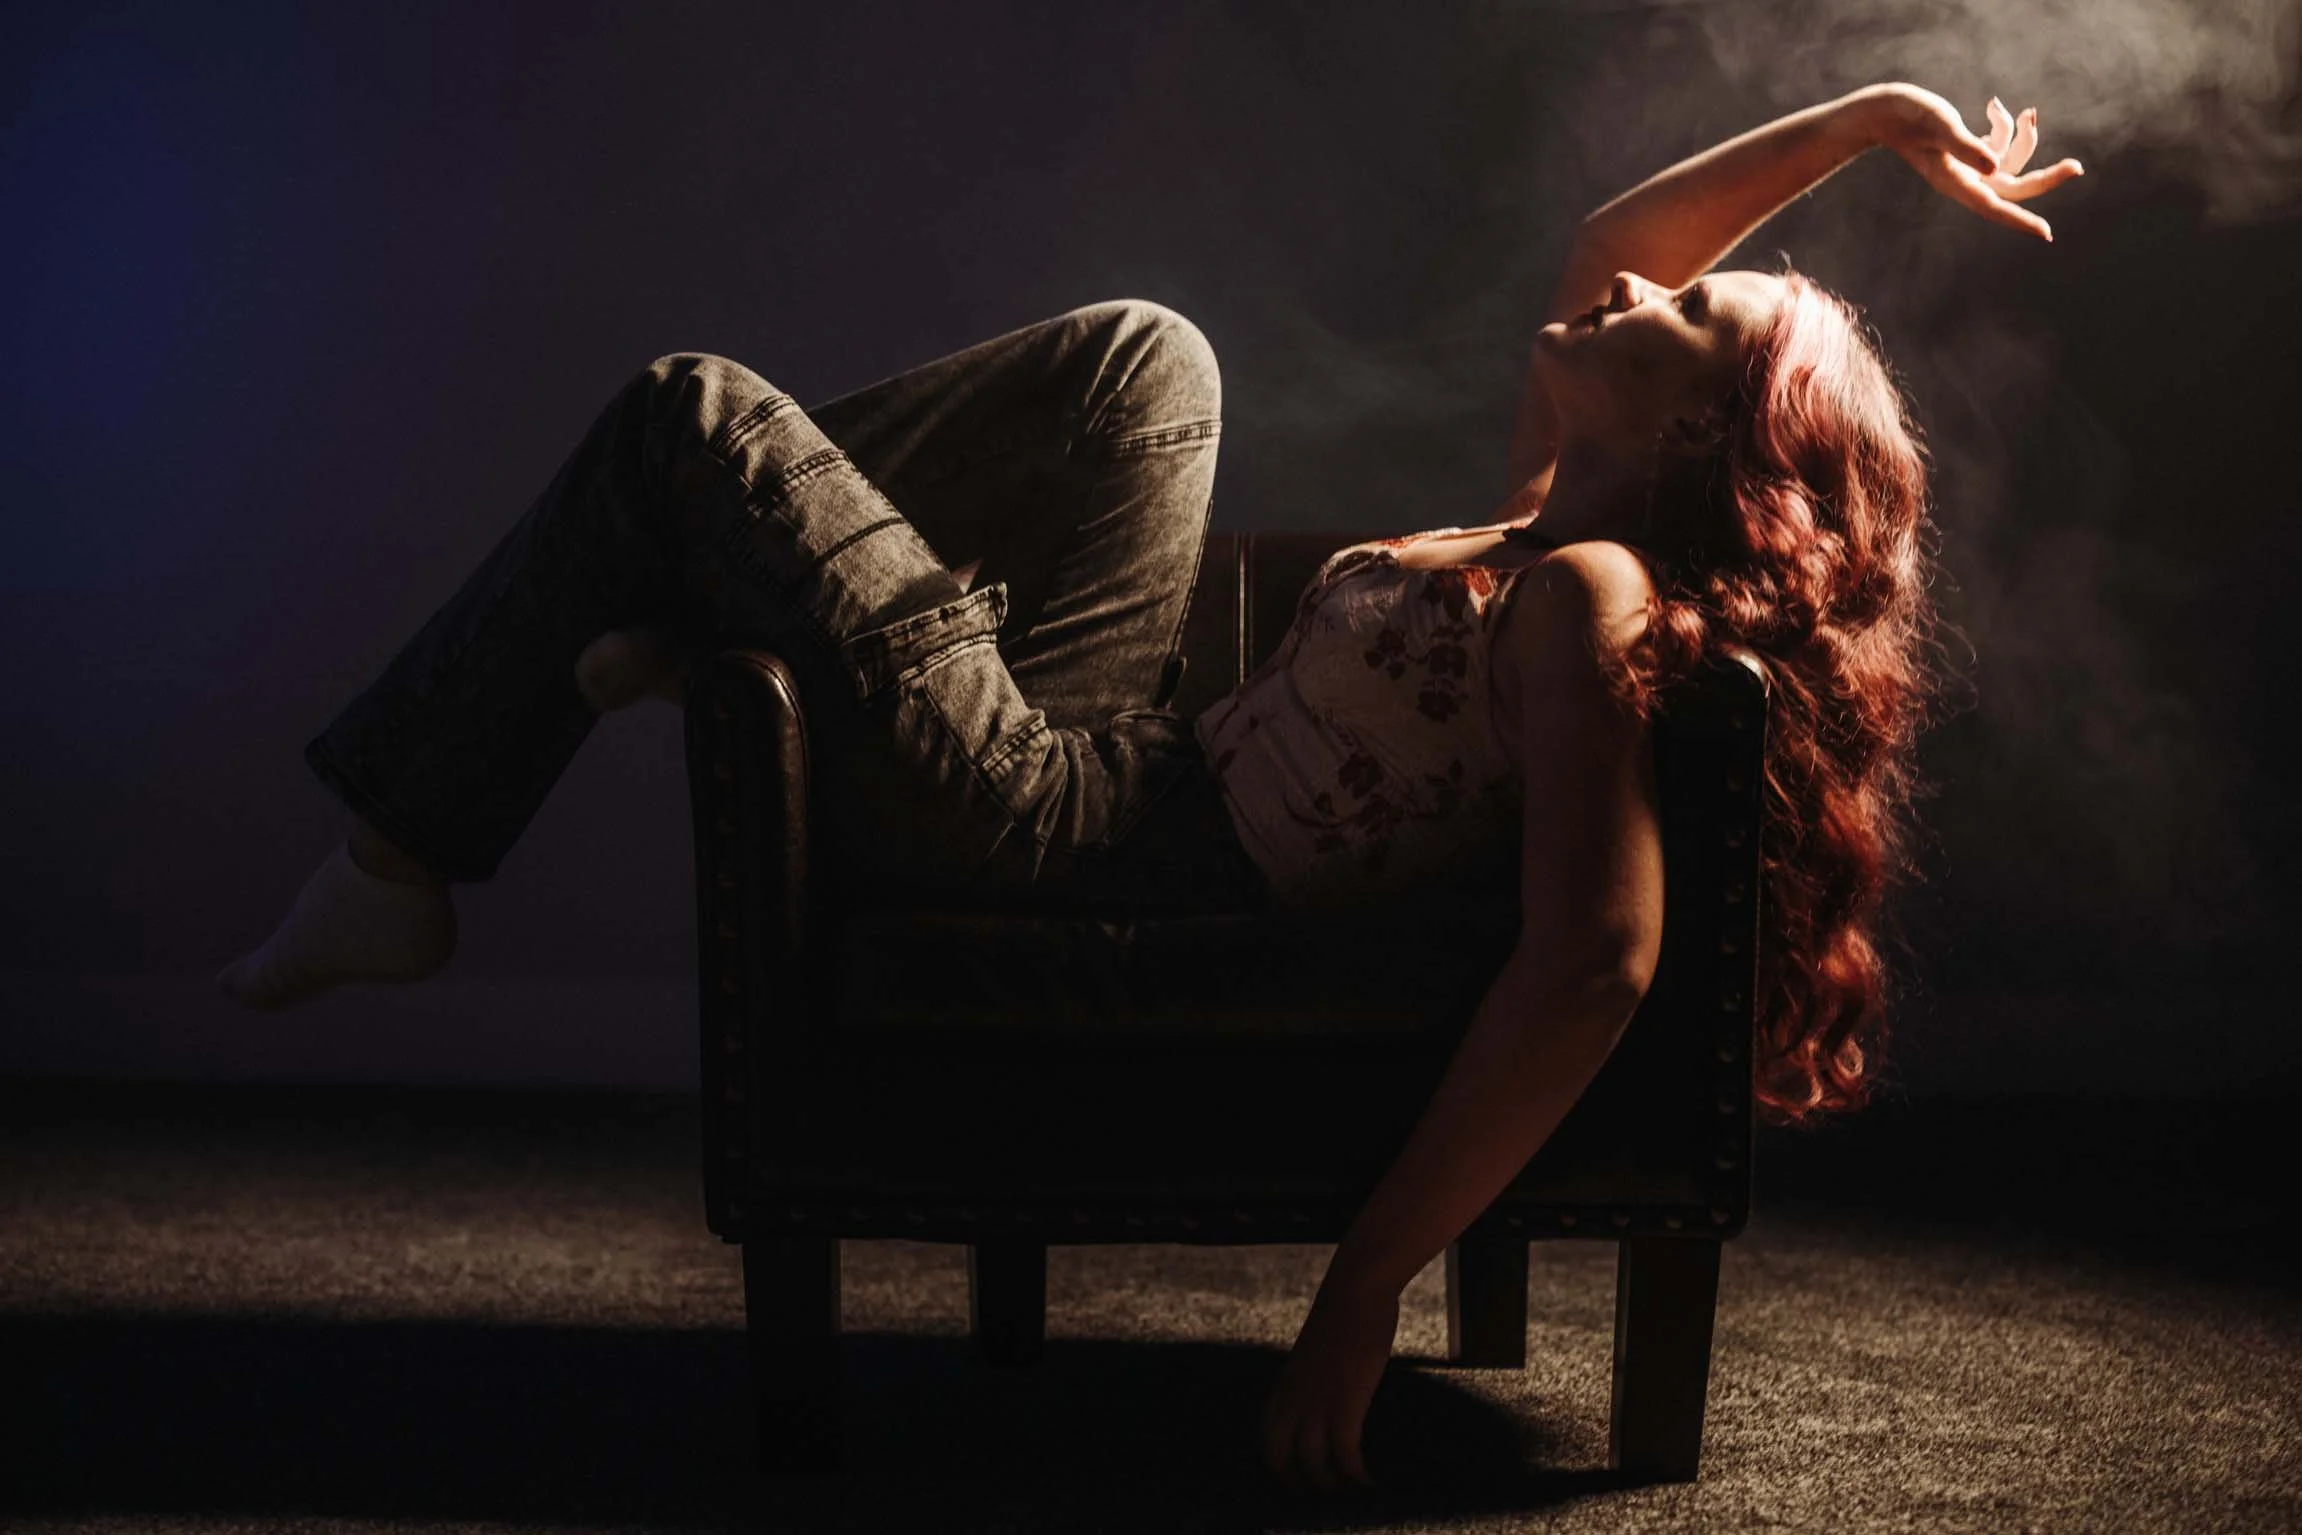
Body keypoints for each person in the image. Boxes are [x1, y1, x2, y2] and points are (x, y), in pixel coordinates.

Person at [216, 80, 2082, 1493]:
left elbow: (1595, 959)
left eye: (1685, 313)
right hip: (1121, 764)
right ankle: (679, 571)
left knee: (688, 407)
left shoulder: (1587, 600)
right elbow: (1616, 231)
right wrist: (1868, 120)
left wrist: (1360, 1291)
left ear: (1695, 432)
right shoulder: (1536, 518)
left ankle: (403, 840)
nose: (1633, 285)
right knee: (1146, 358)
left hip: (1077, 847)